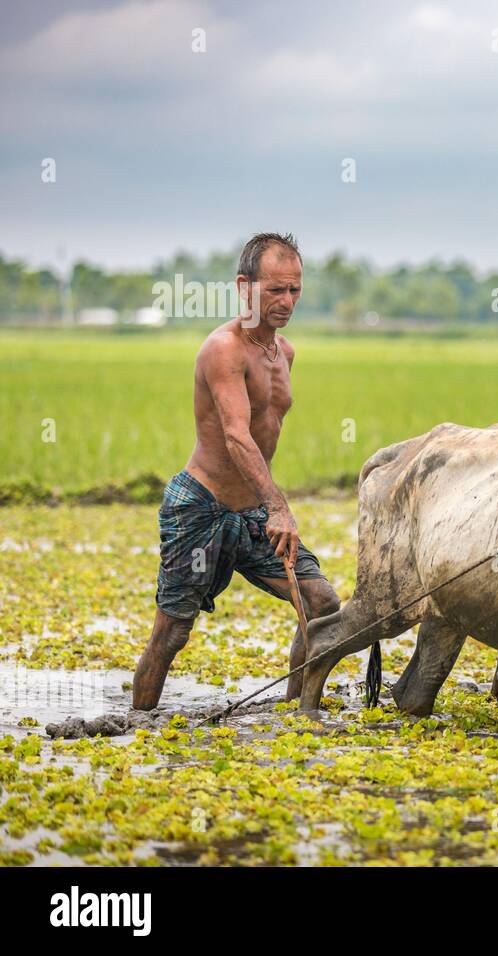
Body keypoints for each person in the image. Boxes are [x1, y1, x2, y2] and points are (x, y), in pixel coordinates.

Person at [132, 232, 340, 710]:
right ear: (245, 287)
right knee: (172, 633)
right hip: (200, 507)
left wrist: (265, 505)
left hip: (250, 512)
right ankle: (136, 726)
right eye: (275, 290)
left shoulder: (284, 354)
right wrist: (279, 505)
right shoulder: (222, 349)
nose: (287, 301)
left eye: (295, 290)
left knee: (321, 603)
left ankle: (296, 712)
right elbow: (236, 435)